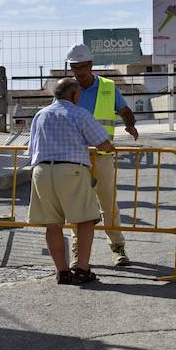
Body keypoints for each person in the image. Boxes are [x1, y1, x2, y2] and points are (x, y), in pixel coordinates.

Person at [27, 77, 115, 285]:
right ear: (75, 95)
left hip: (41, 172)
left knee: (53, 225)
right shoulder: (79, 113)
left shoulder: (40, 115)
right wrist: (110, 148)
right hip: (71, 171)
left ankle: (62, 272)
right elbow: (103, 143)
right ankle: (82, 270)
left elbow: (31, 148)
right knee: (85, 220)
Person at [66, 44, 139, 267]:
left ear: (91, 65)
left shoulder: (108, 87)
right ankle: (78, 253)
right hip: (75, 156)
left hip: (102, 154)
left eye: (81, 67)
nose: (78, 72)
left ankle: (118, 248)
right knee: (76, 205)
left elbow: (124, 110)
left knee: (108, 202)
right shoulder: (68, 89)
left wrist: (130, 126)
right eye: (74, 68)